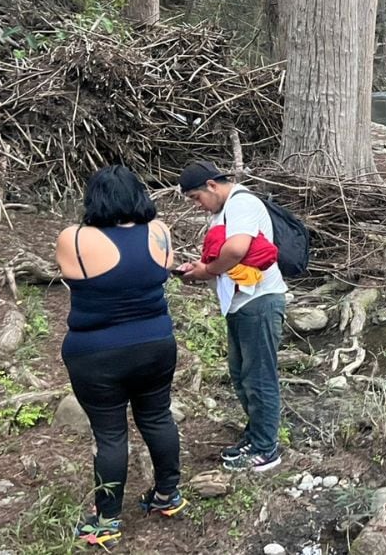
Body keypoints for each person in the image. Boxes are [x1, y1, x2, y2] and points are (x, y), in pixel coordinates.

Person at [55, 165, 188, 549]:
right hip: (156, 343)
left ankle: (107, 520)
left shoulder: (74, 238)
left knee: (110, 434)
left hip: (95, 352)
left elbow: (69, 274)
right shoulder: (160, 231)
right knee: (157, 416)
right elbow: (162, 268)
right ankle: (167, 494)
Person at [177, 160, 286, 472]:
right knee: (241, 375)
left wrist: (207, 271)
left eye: (197, 198)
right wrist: (198, 269)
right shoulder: (223, 212)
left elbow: (237, 250)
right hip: (240, 304)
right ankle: (255, 435)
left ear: (212, 185)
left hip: (260, 302)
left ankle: (267, 448)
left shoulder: (242, 203)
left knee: (259, 376)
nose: (198, 206)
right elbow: (227, 257)